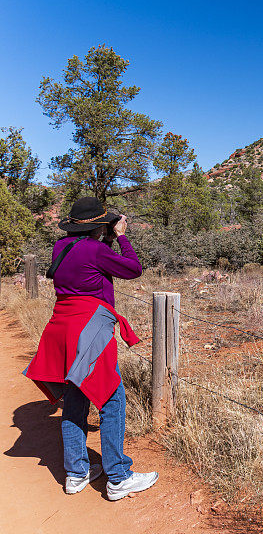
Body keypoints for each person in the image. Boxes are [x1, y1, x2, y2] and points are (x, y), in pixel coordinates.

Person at [23, 196, 159, 501]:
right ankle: (118, 477)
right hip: (90, 330)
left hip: (61, 328)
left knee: (74, 397)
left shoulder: (63, 246)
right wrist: (122, 237)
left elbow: (89, 259)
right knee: (112, 398)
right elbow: (133, 268)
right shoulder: (96, 249)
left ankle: (76, 473)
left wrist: (104, 234)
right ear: (100, 226)